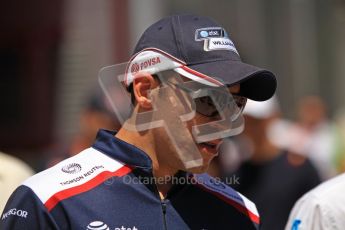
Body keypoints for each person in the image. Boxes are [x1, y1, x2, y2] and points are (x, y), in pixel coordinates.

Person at [1, 14, 277, 229]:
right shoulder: (49, 201)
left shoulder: (240, 212)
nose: (225, 123)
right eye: (209, 100)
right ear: (145, 90)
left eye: (235, 105)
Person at [225, 97, 320, 230]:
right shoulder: (236, 175)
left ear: (273, 117)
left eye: (258, 120)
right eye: (246, 119)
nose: (252, 126)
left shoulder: (301, 168)